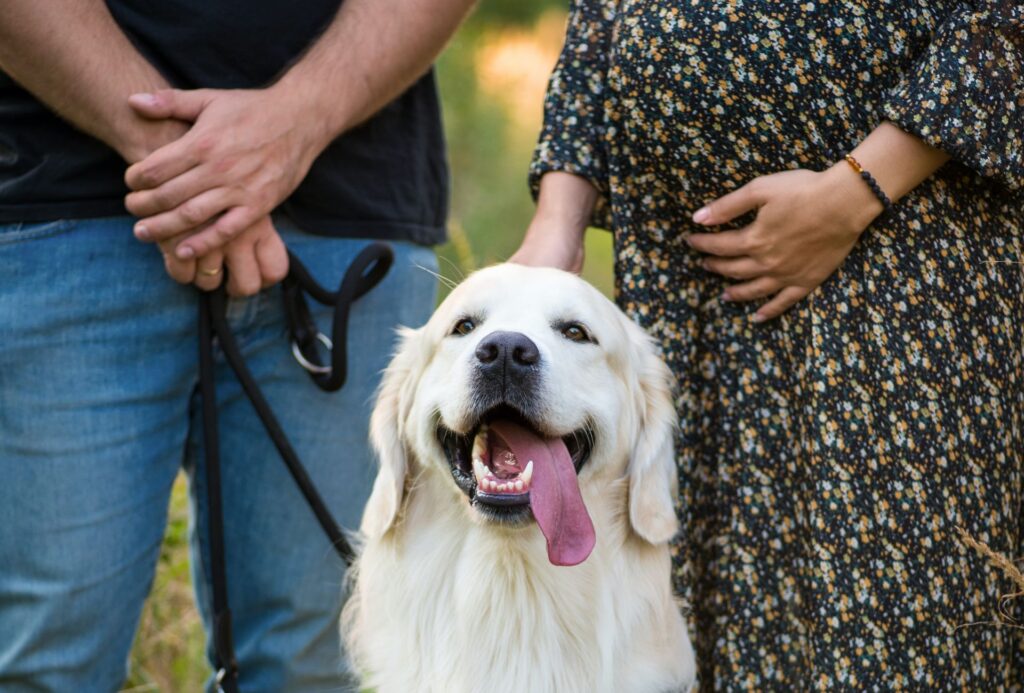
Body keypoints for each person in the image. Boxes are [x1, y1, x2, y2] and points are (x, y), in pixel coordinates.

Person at [513, 0, 1023, 688]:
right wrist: (558, 214)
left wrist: (856, 191)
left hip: (904, 263)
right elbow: (602, 15)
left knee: (892, 634)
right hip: (684, 293)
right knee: (702, 631)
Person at [0, 0, 474, 689]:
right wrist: (198, 173)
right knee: (48, 660)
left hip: (348, 217)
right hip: (66, 211)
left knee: (314, 659)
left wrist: (296, 124)